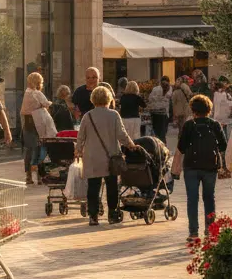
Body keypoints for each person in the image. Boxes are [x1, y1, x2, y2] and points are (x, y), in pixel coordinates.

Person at [74, 85, 134, 226]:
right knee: (111, 186)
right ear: (108, 98)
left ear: (93, 99)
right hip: (110, 158)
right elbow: (121, 135)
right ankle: (112, 214)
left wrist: (78, 150)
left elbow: (80, 137)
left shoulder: (87, 116)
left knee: (93, 187)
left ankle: (93, 216)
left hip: (92, 157)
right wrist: (131, 145)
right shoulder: (114, 115)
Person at [173, 94, 227, 241]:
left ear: (193, 109)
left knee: (192, 199)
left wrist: (175, 167)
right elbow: (223, 145)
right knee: (209, 198)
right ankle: (210, 230)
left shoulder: (189, 125)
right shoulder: (214, 125)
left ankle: (193, 232)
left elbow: (181, 147)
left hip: (191, 166)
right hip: (210, 166)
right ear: (209, 109)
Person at [19, 72, 52, 185]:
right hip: (38, 125)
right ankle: (39, 176)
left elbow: (24, 111)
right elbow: (46, 104)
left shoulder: (26, 93)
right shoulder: (36, 93)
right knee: (39, 149)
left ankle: (28, 176)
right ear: (39, 82)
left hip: (27, 125)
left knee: (29, 150)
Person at [147, 76, 172, 143]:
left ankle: (159, 146)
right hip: (163, 113)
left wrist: (157, 98)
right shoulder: (170, 89)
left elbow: (150, 98)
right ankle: (163, 147)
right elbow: (168, 98)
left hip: (155, 112)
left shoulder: (156, 89)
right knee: (163, 132)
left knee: (157, 132)